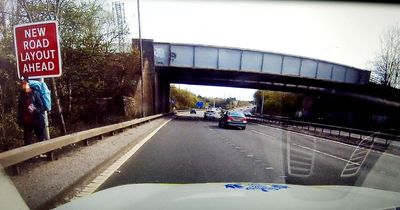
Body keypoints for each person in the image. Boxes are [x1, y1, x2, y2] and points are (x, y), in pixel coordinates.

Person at [17, 79, 46, 146]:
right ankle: (30, 156)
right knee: (27, 141)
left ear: (28, 85)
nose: (24, 87)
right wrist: (20, 120)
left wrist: (35, 110)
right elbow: (20, 109)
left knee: (41, 137)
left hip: (37, 120)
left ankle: (47, 153)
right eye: (22, 85)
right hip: (27, 121)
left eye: (25, 85)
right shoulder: (21, 95)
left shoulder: (35, 93)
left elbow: (41, 107)